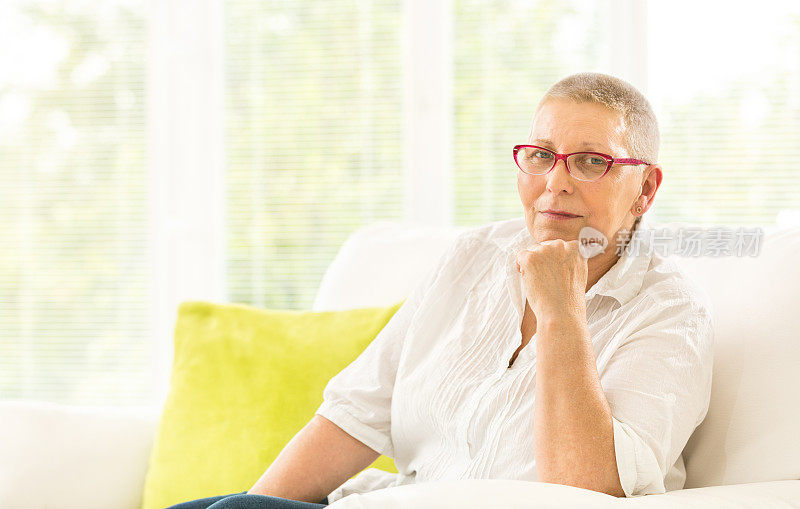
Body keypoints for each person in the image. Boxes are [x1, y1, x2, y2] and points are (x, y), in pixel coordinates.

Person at [167, 71, 714, 508]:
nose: (556, 182)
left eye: (592, 161)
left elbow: (584, 490)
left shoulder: (670, 316)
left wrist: (561, 310)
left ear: (645, 188)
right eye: (542, 155)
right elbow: (354, 415)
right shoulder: (473, 257)